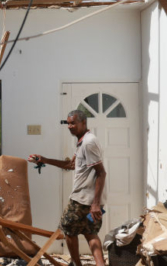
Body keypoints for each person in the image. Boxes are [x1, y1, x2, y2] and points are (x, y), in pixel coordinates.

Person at [28, 109, 107, 266]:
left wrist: (96, 203)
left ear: (83, 123)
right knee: (90, 233)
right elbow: (71, 164)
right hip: (90, 201)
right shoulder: (82, 141)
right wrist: (44, 160)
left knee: (68, 230)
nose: (70, 126)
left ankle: (76, 264)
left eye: (73, 123)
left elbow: (101, 173)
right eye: (68, 123)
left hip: (82, 200)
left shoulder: (88, 142)